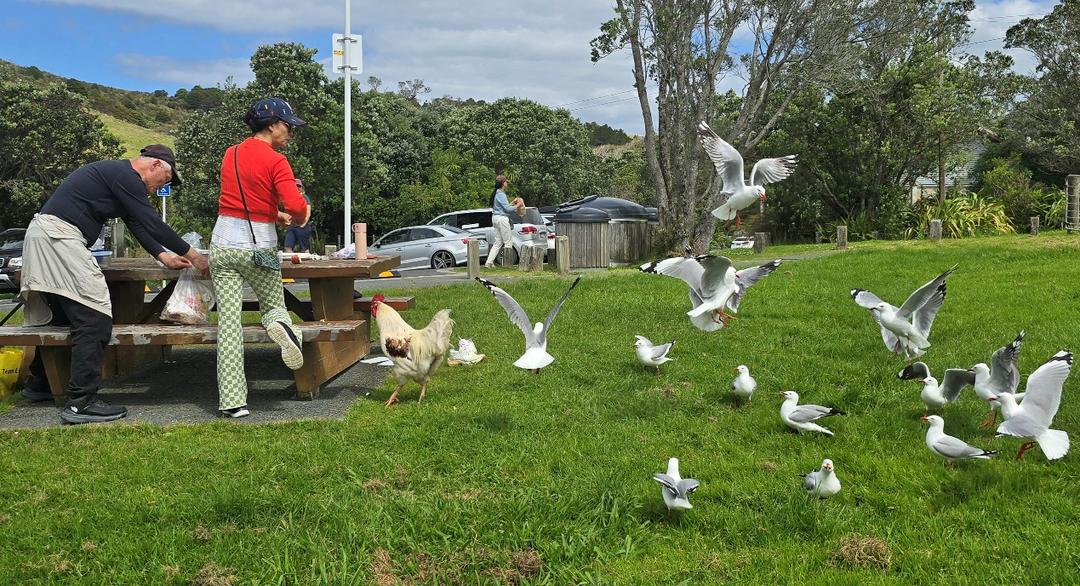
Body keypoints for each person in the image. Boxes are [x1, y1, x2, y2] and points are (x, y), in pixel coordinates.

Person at [19, 145, 209, 424]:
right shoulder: (126, 176)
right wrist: (196, 256)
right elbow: (151, 221)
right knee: (94, 316)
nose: (160, 188)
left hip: (46, 235)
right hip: (59, 237)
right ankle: (81, 402)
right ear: (155, 165)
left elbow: (138, 224)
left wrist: (164, 255)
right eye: (165, 181)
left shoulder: (118, 178)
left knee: (62, 316)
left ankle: (41, 385)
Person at [210, 97, 311, 418]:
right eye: (287, 126)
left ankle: (232, 403)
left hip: (223, 244)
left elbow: (242, 197)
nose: (290, 133)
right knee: (273, 305)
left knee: (228, 324)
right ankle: (282, 327)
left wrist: (273, 214)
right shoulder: (277, 160)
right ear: (272, 125)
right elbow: (296, 204)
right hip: (259, 247)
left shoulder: (231, 153)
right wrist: (298, 214)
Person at [484, 175, 523, 268]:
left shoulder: (496, 193)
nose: (507, 183)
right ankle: (507, 264)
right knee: (508, 241)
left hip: (496, 218)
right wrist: (518, 205)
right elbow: (507, 210)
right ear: (503, 183)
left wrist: (512, 203)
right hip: (502, 219)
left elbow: (504, 207)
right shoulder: (501, 194)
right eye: (506, 182)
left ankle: (488, 263)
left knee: (498, 242)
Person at [283, 178, 313, 254]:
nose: (297, 188)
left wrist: (303, 224)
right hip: (292, 226)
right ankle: (291, 264)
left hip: (302, 226)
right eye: (295, 186)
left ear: (302, 188)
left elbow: (308, 212)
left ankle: (307, 265)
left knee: (305, 250)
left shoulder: (305, 198)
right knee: (287, 248)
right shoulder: (289, 197)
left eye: (299, 186)